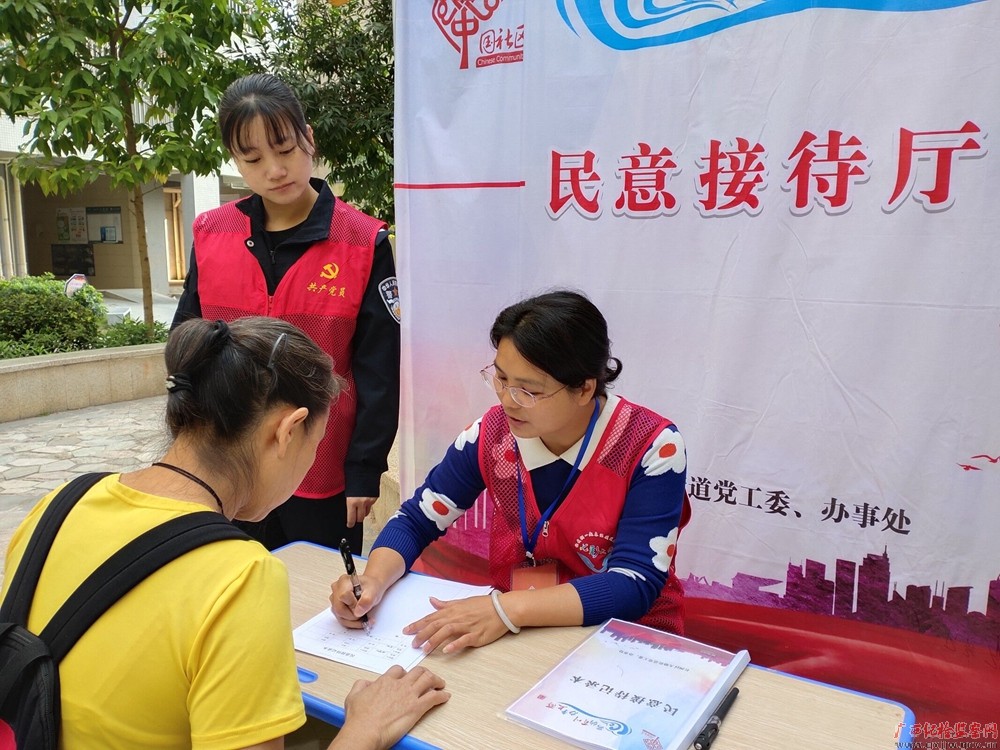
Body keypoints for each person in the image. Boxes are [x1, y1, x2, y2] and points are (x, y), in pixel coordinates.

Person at [0, 317, 448, 749]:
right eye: (316, 444)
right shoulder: (241, 577)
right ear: (288, 431)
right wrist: (367, 728)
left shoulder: (61, 502)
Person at [331, 291, 691, 655]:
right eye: (501, 379)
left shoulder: (651, 446)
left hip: (626, 642)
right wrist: (372, 581)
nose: (506, 400)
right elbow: (415, 520)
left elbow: (633, 583)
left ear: (584, 388)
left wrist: (506, 609)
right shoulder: (491, 435)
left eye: (528, 391)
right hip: (519, 634)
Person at [171, 73, 400, 553]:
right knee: (231, 581)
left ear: (308, 138)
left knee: (320, 590)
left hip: (320, 466)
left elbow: (379, 370)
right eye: (253, 159)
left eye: (285, 149)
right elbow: (188, 349)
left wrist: (364, 469)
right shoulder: (212, 234)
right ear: (235, 160)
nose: (275, 170)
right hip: (228, 464)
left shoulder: (362, 242)